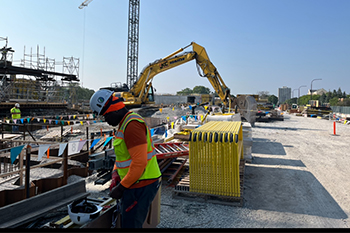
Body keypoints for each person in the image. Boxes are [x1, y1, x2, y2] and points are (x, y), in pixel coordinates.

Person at [89, 89, 161, 228]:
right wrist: (116, 173)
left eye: (105, 116)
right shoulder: (124, 124)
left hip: (141, 184)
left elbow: (139, 163)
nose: (106, 121)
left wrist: (121, 188)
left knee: (131, 224)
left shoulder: (132, 125)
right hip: (134, 182)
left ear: (113, 111)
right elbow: (123, 157)